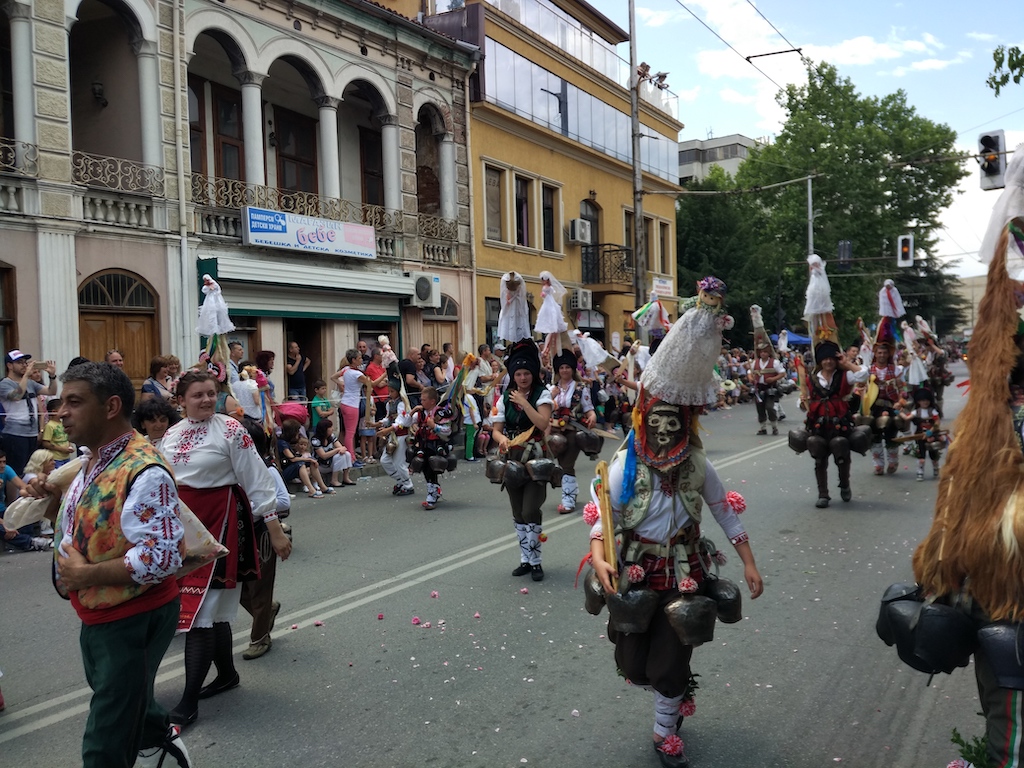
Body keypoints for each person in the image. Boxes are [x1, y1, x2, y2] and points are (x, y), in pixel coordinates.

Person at [586, 278, 763, 768]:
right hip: (637, 569)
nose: (666, 430)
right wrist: (599, 558)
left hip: (685, 571)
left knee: (669, 659)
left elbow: (726, 512)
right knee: (634, 664)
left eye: (674, 421)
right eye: (657, 420)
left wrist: (748, 563)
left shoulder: (699, 466)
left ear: (685, 424)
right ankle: (666, 692)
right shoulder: (628, 463)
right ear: (646, 420)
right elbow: (606, 512)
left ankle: (667, 729)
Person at [907, 204, 1024, 767]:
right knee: (1007, 721)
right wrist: (943, 572)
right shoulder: (981, 425)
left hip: (1004, 592)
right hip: (1001, 600)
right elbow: (954, 506)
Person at [32, 362, 193, 767]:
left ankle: (151, 736)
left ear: (110, 407)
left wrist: (86, 574)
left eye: (74, 402)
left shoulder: (143, 468)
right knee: (122, 697)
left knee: (105, 742)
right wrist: (49, 500)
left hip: (133, 616)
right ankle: (162, 738)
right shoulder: (93, 459)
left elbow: (163, 555)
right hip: (99, 613)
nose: (61, 412)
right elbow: (89, 523)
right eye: (61, 402)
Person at [161, 370, 291, 728]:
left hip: (220, 524)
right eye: (197, 395)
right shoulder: (171, 434)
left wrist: (274, 530)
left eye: (210, 393)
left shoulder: (231, 430)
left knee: (201, 614)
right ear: (181, 400)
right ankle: (227, 675)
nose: (205, 400)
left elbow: (257, 480)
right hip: (185, 528)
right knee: (209, 609)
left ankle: (187, 702)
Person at [794, 257, 870, 508]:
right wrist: (802, 402)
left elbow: (863, 375)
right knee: (817, 451)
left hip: (840, 426)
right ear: (820, 361)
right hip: (818, 425)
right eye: (824, 360)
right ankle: (823, 493)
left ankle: (845, 484)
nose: (827, 363)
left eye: (831, 360)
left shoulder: (844, 374)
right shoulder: (813, 377)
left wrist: (846, 363)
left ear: (835, 360)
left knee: (839, 448)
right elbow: (804, 402)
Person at [491, 340, 553, 581]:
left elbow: (542, 423)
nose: (523, 377)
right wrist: (501, 439)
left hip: (536, 456)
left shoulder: (542, 393)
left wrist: (525, 403)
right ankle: (525, 559)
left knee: (530, 509)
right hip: (513, 457)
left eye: (527, 373)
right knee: (517, 511)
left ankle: (536, 561)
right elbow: (496, 429)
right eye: (518, 373)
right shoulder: (504, 397)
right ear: (513, 375)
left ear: (533, 374)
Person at [239, 420, 286, 661]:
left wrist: (257, 507)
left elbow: (284, 501)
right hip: (237, 532)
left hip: (262, 531)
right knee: (236, 587)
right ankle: (269, 609)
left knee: (259, 587)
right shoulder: (232, 469)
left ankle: (259, 639)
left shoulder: (267, 470)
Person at [549, 349, 596, 514]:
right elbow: (543, 408)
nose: (564, 370)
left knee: (567, 464)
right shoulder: (552, 388)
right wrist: (550, 396)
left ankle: (567, 501)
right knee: (561, 464)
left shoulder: (581, 388)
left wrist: (592, 416)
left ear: (572, 369)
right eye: (561, 368)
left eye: (567, 367)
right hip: (554, 431)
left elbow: (589, 408)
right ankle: (573, 490)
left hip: (573, 430)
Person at [1, 350, 57, 474]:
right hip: (15, 434)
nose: (24, 365)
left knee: (32, 470)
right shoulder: (4, 384)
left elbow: (51, 391)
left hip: (32, 434)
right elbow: (16, 396)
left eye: (25, 362)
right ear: (10, 365)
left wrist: (52, 376)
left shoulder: (31, 383)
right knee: (17, 470)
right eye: (19, 362)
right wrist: (26, 375)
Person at [409, 386, 454, 510]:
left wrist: (435, 426)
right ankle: (434, 489)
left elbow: (448, 430)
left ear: (432, 401)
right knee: (422, 465)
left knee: (431, 466)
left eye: (424, 400)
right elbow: (407, 423)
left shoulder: (441, 412)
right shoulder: (420, 413)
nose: (421, 402)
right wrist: (412, 414)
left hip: (436, 445)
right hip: (423, 444)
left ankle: (432, 494)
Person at [332, 349, 371, 467]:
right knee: (350, 433)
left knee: (348, 432)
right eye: (359, 358)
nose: (361, 360)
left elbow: (333, 377)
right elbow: (371, 383)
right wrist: (384, 374)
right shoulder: (357, 373)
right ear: (353, 360)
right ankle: (351, 459)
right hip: (352, 404)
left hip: (345, 402)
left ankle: (351, 457)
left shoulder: (346, 370)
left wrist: (341, 384)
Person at [378, 380, 414, 496]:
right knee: (385, 460)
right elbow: (388, 418)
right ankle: (401, 480)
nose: (389, 393)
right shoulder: (389, 403)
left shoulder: (402, 404)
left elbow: (400, 423)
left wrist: (386, 430)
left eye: (392, 391)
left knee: (399, 462)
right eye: (389, 391)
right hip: (392, 436)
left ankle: (408, 485)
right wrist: (377, 424)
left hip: (402, 436)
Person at [900, 387, 944, 481]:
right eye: (923, 400)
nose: (925, 402)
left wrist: (930, 431)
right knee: (921, 456)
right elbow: (907, 418)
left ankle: (936, 470)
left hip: (932, 435)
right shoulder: (916, 412)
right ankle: (920, 472)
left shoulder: (933, 411)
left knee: (934, 455)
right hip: (920, 436)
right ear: (918, 401)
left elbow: (937, 422)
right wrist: (899, 412)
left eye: (927, 400)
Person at [748, 343, 785, 436]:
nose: (763, 354)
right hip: (759, 388)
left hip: (770, 389)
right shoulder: (755, 362)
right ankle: (763, 428)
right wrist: (750, 378)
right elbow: (749, 372)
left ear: (769, 353)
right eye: (761, 352)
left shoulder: (775, 362)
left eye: (765, 352)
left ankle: (774, 427)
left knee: (770, 407)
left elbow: (782, 373)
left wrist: (773, 379)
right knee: (760, 408)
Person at [311, 418, 355, 487]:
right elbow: (323, 455)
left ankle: (346, 477)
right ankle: (334, 480)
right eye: (330, 427)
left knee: (347, 454)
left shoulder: (331, 436)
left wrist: (341, 449)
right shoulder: (315, 440)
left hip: (330, 462)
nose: (332, 429)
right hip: (320, 465)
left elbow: (341, 447)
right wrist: (337, 450)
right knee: (339, 456)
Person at [534, 270, 568, 357]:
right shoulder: (550, 287)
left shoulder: (545, 287)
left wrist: (543, 294)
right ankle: (548, 348)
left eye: (542, 280)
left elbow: (544, 295)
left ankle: (547, 348)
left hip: (548, 302)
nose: (541, 282)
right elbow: (552, 292)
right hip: (550, 302)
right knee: (553, 326)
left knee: (551, 321)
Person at [41, 398, 75, 466]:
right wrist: (61, 449)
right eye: (62, 409)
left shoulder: (63, 423)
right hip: (56, 459)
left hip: (66, 457)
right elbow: (45, 443)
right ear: (54, 412)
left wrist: (69, 446)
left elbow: (66, 436)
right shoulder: (50, 425)